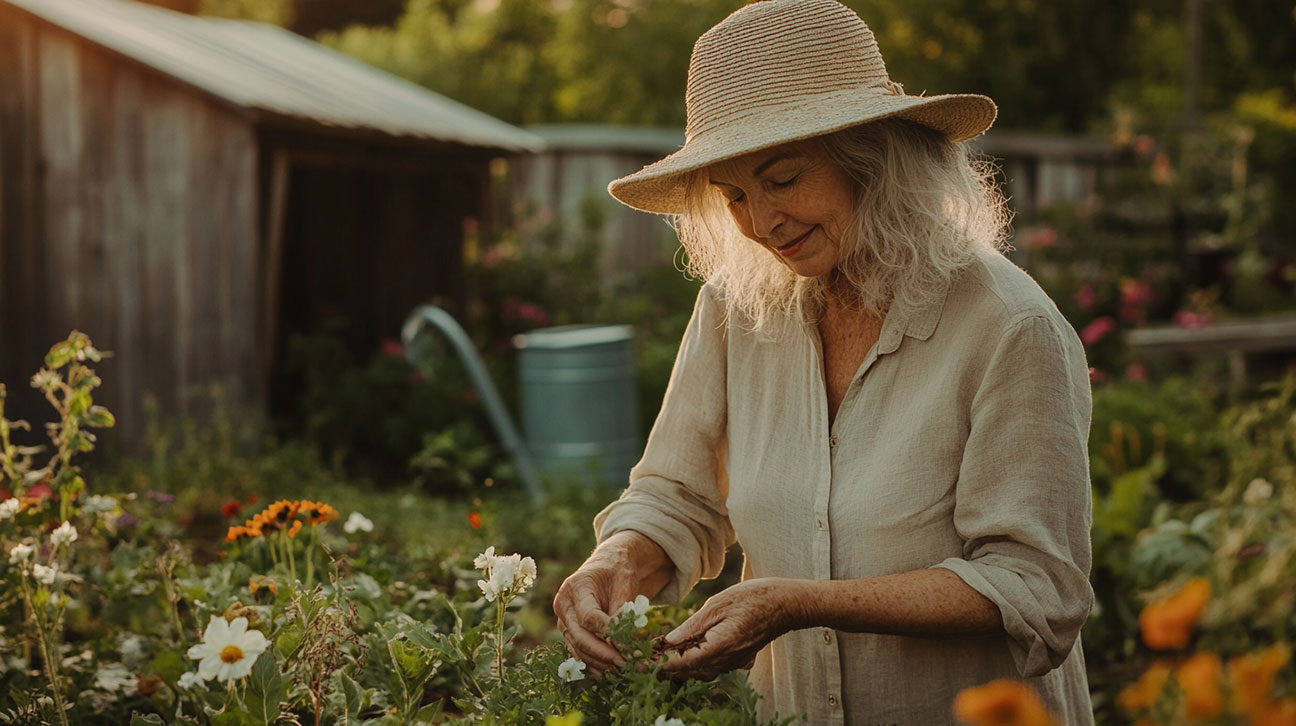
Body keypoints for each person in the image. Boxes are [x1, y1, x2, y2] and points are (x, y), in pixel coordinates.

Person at [552, 0, 1095, 723]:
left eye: (781, 178)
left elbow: (1036, 586)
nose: (761, 223)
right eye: (735, 195)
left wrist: (798, 602)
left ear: (872, 155)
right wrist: (615, 561)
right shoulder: (734, 308)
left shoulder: (1008, 326)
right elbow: (677, 496)